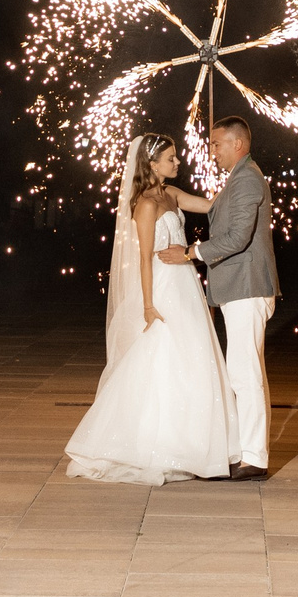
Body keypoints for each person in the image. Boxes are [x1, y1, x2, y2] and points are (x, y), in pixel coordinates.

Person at [64, 134, 232, 486]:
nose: (177, 163)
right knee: (160, 357)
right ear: (152, 164)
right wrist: (148, 304)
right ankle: (151, 442)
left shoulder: (171, 195)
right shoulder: (144, 203)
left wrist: (233, 182)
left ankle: (192, 442)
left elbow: (209, 205)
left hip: (185, 283)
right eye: (171, 159)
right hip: (162, 286)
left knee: (192, 356)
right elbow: (142, 257)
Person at [161, 115, 278, 479]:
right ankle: (246, 450)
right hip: (238, 286)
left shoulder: (246, 179)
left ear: (237, 144)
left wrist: (191, 252)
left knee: (245, 374)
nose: (211, 150)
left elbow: (238, 238)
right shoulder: (239, 178)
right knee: (243, 371)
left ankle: (255, 457)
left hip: (247, 285)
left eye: (216, 144)